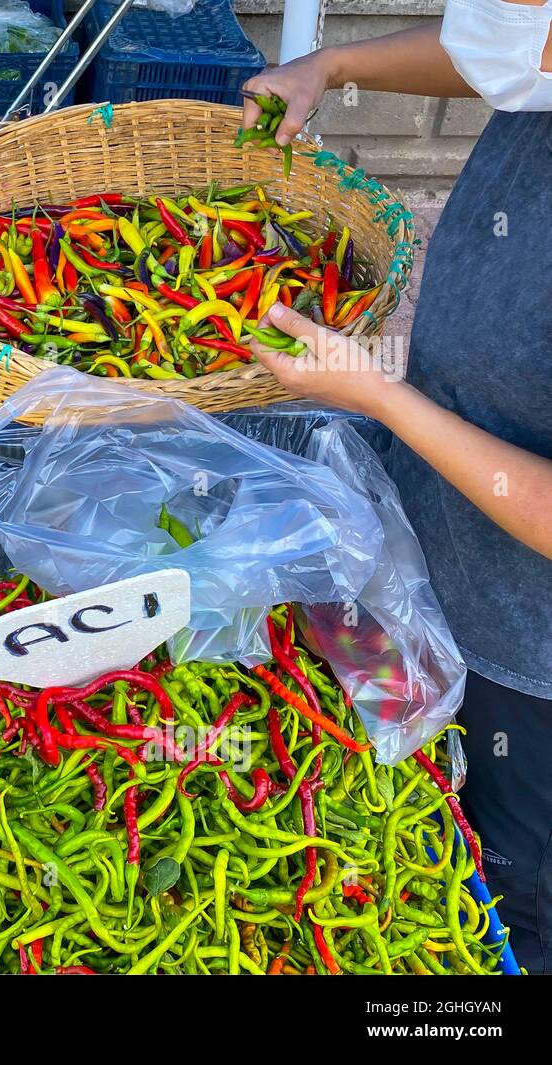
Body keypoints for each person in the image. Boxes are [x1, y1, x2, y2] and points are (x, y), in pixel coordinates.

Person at [240, 0, 552, 971]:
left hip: (527, 656)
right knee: (394, 808)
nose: (500, 15)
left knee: (507, 898)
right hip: (431, 546)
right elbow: (494, 60)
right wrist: (331, 68)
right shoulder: (535, 61)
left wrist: (376, 394)